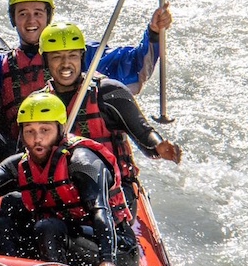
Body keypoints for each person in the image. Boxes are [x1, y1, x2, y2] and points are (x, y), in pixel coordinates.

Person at [0, 0, 172, 171]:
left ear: (49, 17)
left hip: (78, 158)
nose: (31, 20)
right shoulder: (2, 66)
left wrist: (152, 32)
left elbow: (135, 66)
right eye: (23, 14)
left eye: (38, 13)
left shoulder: (79, 55)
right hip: (25, 155)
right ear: (14, 21)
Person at [0, 92, 139, 266]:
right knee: (1, 225)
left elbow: (101, 212)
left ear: (60, 130)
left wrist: (108, 261)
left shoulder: (82, 162)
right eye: (30, 131)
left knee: (47, 227)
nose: (37, 139)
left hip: (114, 248)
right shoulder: (19, 164)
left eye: (45, 130)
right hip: (60, 241)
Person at [38, 22, 182, 220]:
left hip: (113, 192)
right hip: (64, 192)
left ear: (81, 57)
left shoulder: (108, 92)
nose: (65, 64)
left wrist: (158, 146)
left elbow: (143, 132)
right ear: (45, 61)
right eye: (57, 57)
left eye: (72, 56)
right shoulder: (38, 103)